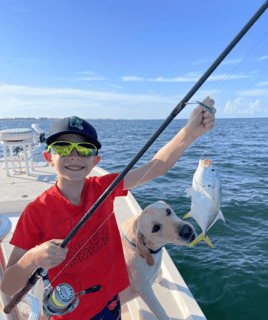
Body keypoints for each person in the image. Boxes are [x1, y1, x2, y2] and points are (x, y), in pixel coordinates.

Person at [1, 97, 216, 319]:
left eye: (85, 149)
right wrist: (33, 258)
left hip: (111, 305)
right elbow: (8, 286)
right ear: (48, 158)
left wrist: (191, 132)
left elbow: (156, 167)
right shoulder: (35, 212)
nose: (74, 154)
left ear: (95, 161)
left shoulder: (104, 187)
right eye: (63, 147)